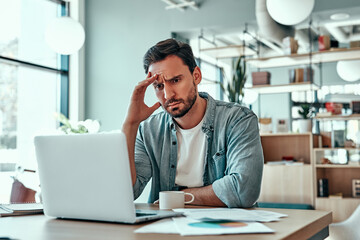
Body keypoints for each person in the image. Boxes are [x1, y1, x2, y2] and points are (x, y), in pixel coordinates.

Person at [122, 38, 263, 208]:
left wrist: (180, 197)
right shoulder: (148, 130)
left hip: (225, 229)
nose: (167, 94)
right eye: (159, 86)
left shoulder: (238, 120)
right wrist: (130, 124)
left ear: (196, 76)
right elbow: (126, 193)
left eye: (175, 80)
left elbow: (244, 190)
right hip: (166, 229)